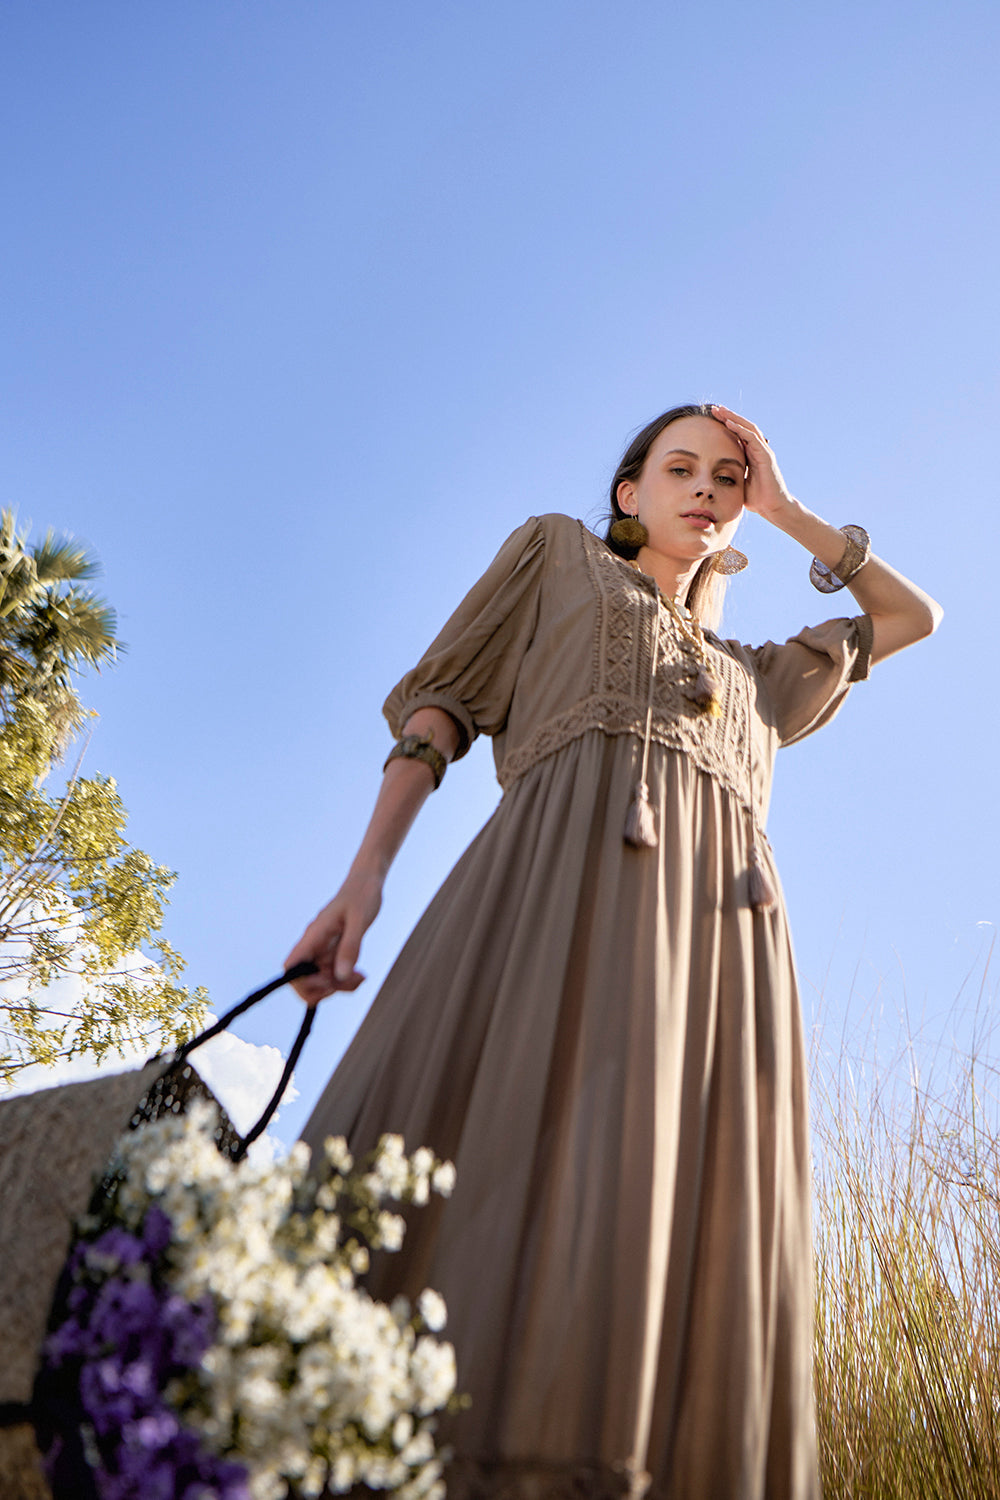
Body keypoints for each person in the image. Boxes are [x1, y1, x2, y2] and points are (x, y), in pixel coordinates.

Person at [286, 402, 942, 1500]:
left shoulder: (757, 675)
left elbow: (910, 614)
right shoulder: (556, 554)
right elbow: (442, 706)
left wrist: (787, 509)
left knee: (675, 1218)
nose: (704, 487)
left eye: (724, 476)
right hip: (552, 899)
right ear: (628, 493)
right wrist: (364, 879)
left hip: (720, 964)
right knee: (494, 1163)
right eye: (676, 467)